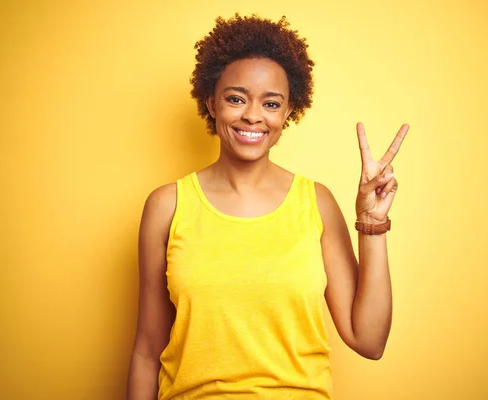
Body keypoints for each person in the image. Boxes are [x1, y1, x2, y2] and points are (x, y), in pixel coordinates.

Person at [127, 14, 409, 400]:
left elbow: (369, 340)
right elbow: (147, 350)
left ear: (288, 112)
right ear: (211, 101)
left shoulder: (317, 203)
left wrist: (372, 223)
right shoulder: (167, 205)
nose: (253, 116)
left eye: (271, 103)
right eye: (236, 98)